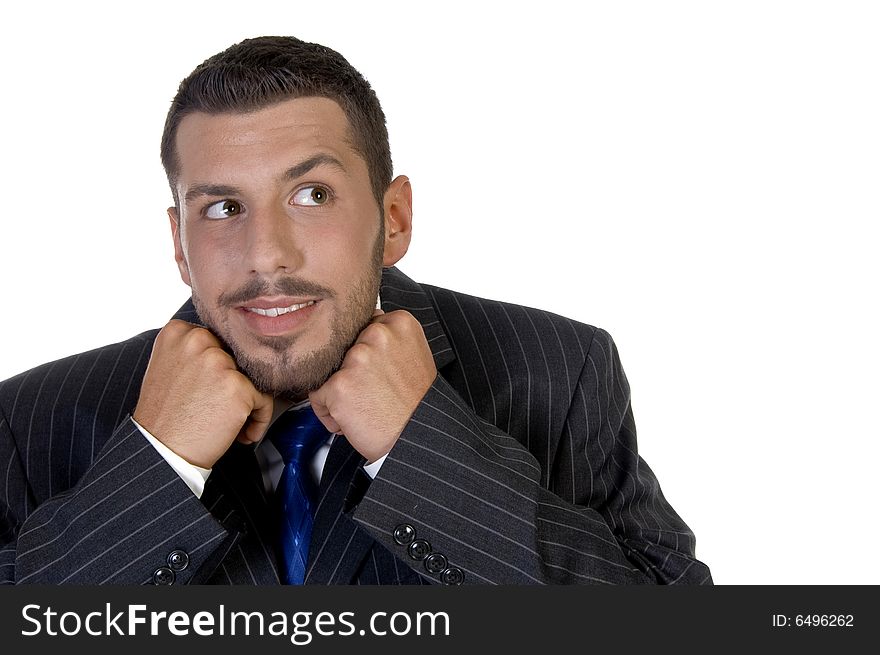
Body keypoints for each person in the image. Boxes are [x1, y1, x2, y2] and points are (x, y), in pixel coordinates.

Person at [0, 36, 711, 585]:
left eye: (312, 195)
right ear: (180, 245)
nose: (267, 255)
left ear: (393, 217)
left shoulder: (558, 373)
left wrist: (429, 455)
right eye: (222, 207)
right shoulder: (33, 419)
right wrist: (157, 466)